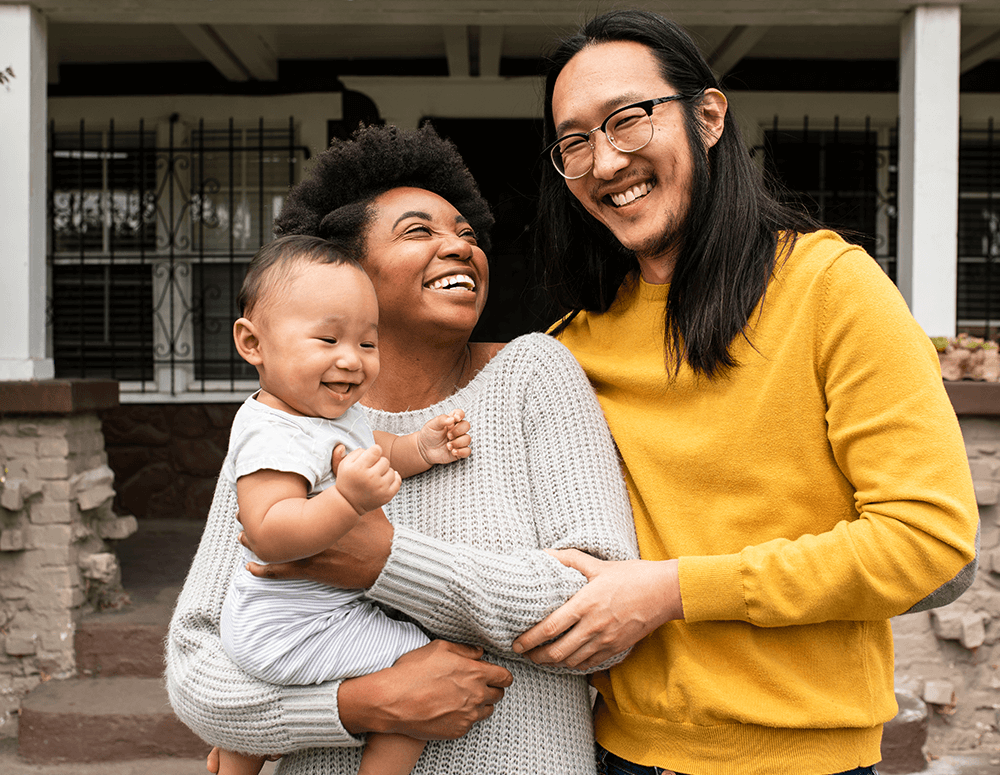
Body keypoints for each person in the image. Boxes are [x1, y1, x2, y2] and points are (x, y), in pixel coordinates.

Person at [511, 10, 980, 775]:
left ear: (707, 115)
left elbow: (927, 541)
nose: (604, 161)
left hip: (802, 759)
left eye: (626, 121)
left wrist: (674, 590)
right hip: (618, 753)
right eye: (574, 142)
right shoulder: (571, 347)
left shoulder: (832, 289)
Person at [165, 123, 640, 775]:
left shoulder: (534, 375)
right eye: (420, 231)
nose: (460, 248)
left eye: (468, 235)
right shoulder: (288, 419)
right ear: (346, 272)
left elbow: (602, 621)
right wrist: (368, 703)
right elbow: (199, 670)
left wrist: (382, 560)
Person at [216, 234, 475, 775]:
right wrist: (346, 500)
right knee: (423, 668)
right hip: (290, 627)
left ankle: (237, 753)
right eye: (328, 339)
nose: (351, 361)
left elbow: (374, 449)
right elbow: (266, 532)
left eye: (367, 343)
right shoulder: (270, 433)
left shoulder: (328, 413)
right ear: (252, 343)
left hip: (303, 618)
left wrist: (418, 449)